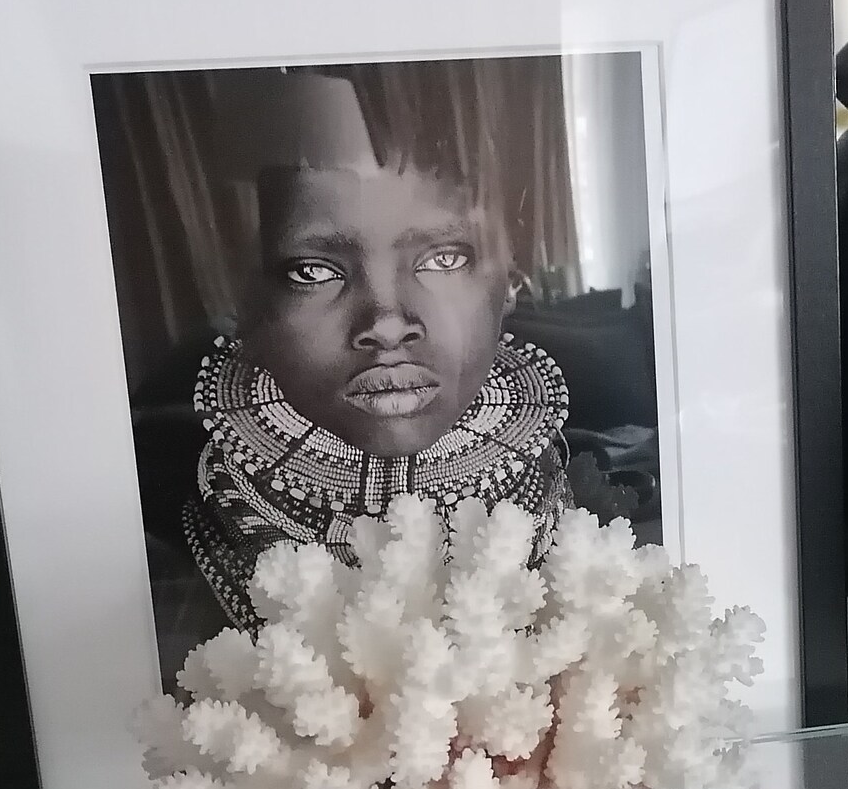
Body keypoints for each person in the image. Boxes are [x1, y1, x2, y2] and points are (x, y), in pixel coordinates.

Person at [185, 64, 570, 630]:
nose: (387, 326)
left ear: (510, 277)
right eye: (314, 271)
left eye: (443, 259)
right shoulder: (151, 559)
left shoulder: (600, 512)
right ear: (245, 301)